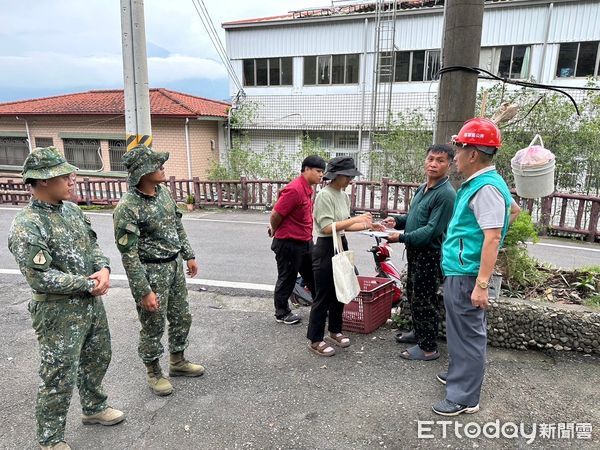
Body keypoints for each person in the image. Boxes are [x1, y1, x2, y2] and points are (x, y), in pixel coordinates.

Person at [8, 147, 125, 450]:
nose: (72, 180)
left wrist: (102, 269)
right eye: (64, 176)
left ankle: (94, 408)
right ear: (43, 181)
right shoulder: (27, 225)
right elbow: (39, 276)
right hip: (57, 311)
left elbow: (92, 245)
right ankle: (50, 438)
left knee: (99, 356)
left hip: (89, 303)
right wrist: (87, 283)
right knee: (58, 374)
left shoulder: (71, 210)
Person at [432, 118, 520, 416]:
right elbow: (514, 210)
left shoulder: (486, 188)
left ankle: (465, 397)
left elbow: (492, 237)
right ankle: (460, 375)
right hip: (463, 269)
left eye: (459, 150)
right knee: (460, 331)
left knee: (469, 334)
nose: (454, 156)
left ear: (472, 154)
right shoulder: (484, 184)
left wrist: (482, 282)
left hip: (468, 274)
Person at [113, 145, 203, 397]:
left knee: (182, 316)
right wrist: (144, 291)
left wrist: (189, 254)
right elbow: (128, 255)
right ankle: (153, 371)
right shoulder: (128, 207)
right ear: (142, 172)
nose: (162, 167)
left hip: (174, 266)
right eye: (156, 165)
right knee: (153, 325)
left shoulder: (163, 193)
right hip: (151, 271)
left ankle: (178, 361)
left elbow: (177, 225)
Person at [382, 144, 456, 361]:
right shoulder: (423, 188)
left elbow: (431, 231)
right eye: (431, 159)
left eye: (440, 160)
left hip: (430, 256)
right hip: (415, 252)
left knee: (425, 300)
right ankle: (419, 333)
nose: (433, 164)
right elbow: (415, 218)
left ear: (449, 165)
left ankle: (428, 347)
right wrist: (396, 222)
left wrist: (401, 237)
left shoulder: (446, 195)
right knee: (414, 297)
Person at [306, 156, 385, 356]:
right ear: (338, 176)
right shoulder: (325, 195)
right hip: (325, 246)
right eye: (348, 176)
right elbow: (325, 227)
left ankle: (334, 330)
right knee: (323, 295)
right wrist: (357, 219)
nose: (351, 180)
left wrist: (368, 225)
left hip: (340, 243)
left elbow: (345, 225)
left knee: (341, 291)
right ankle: (315, 339)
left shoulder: (343, 195)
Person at [268, 155, 326, 324]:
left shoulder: (308, 188)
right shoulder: (294, 189)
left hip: (305, 241)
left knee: (314, 274)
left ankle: (321, 305)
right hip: (288, 243)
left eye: (322, 172)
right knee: (287, 278)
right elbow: (276, 214)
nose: (321, 175)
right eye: (318, 171)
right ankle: (282, 313)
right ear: (306, 169)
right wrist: (275, 229)